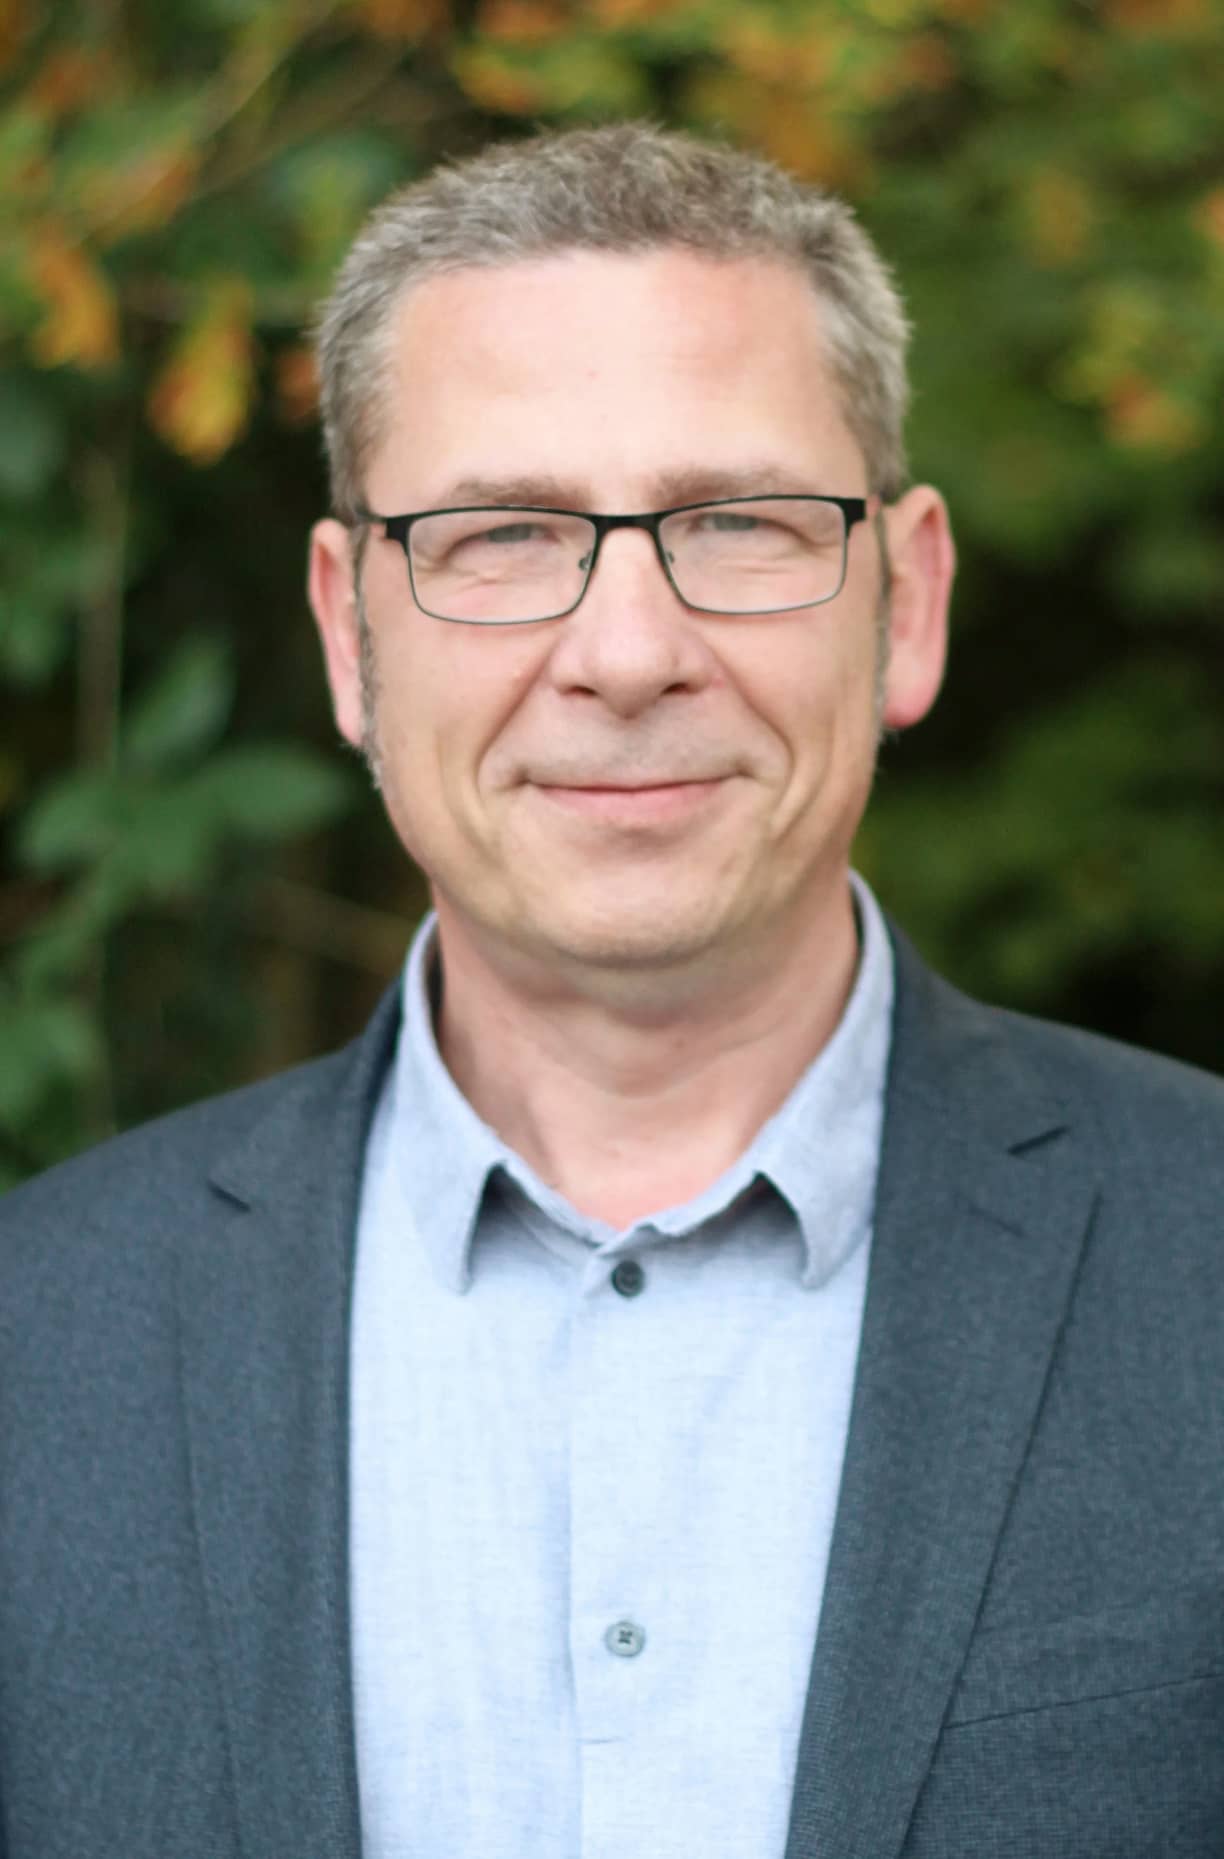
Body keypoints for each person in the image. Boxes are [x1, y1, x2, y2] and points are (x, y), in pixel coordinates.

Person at [2, 120, 1223, 1859]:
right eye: (502, 533)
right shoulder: (37, 1343)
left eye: (738, 522)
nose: (630, 654)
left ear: (909, 604)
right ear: (352, 635)